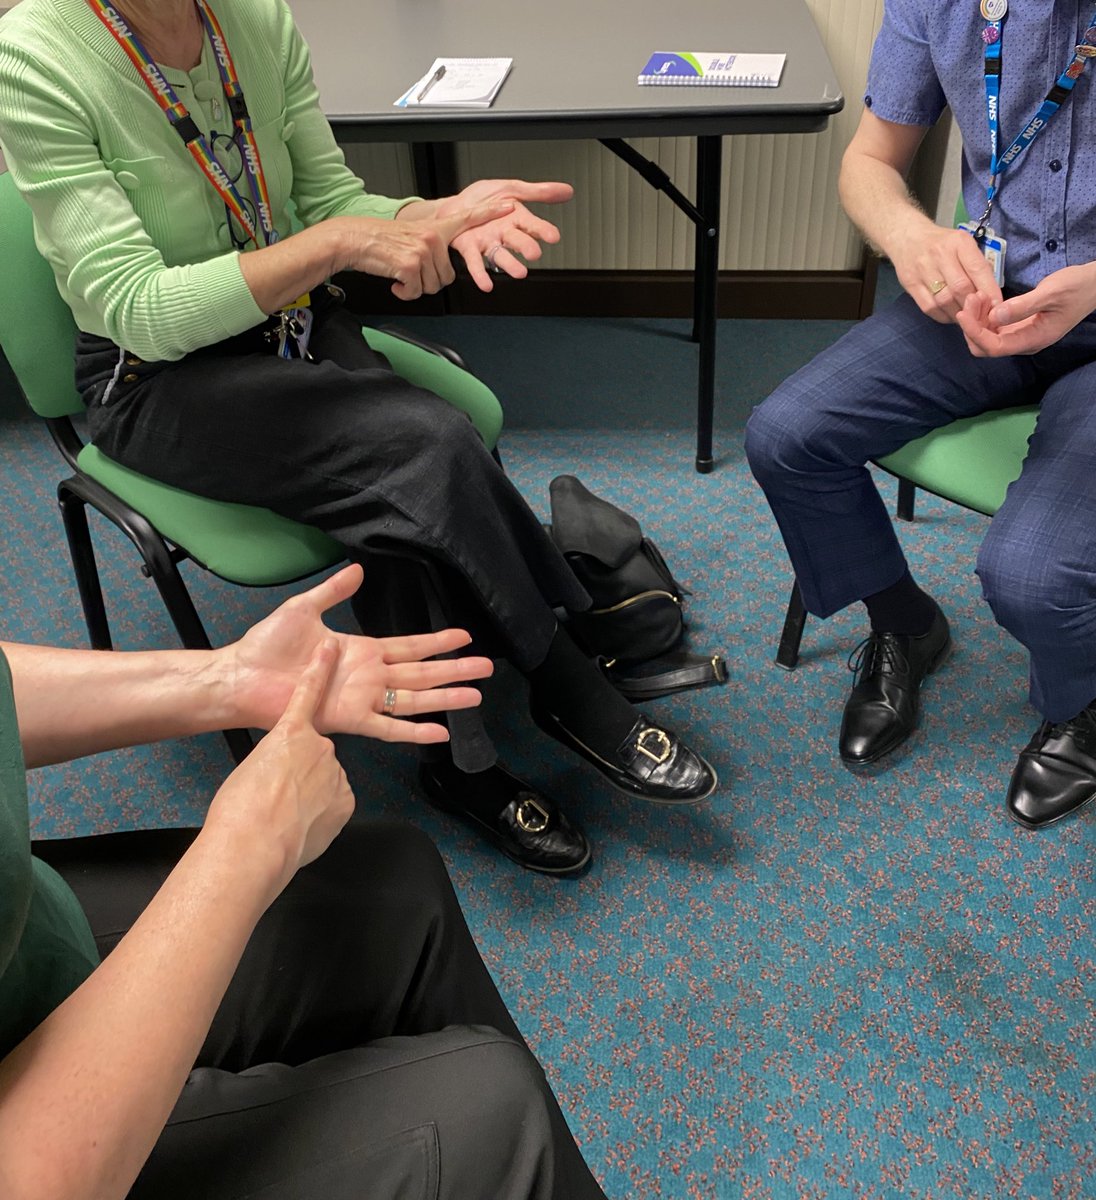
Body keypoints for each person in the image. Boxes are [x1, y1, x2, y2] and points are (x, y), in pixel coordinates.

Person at [0, 0, 717, 879]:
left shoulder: (252, 18)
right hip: (154, 376)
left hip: (286, 324)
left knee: (402, 506)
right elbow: (142, 310)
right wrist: (339, 243)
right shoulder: (34, 53)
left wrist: (433, 213)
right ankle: (567, 676)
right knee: (427, 443)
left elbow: (332, 200)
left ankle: (463, 768)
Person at [0, 564, 610, 1200]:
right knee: (499, 1118)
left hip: (24, 936)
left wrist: (230, 679)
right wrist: (245, 850)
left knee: (395, 886)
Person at [744, 0, 1096, 829]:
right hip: (985, 300)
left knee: (1033, 578)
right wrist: (910, 235)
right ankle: (905, 623)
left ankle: (1082, 705)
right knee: (787, 437)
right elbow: (870, 160)